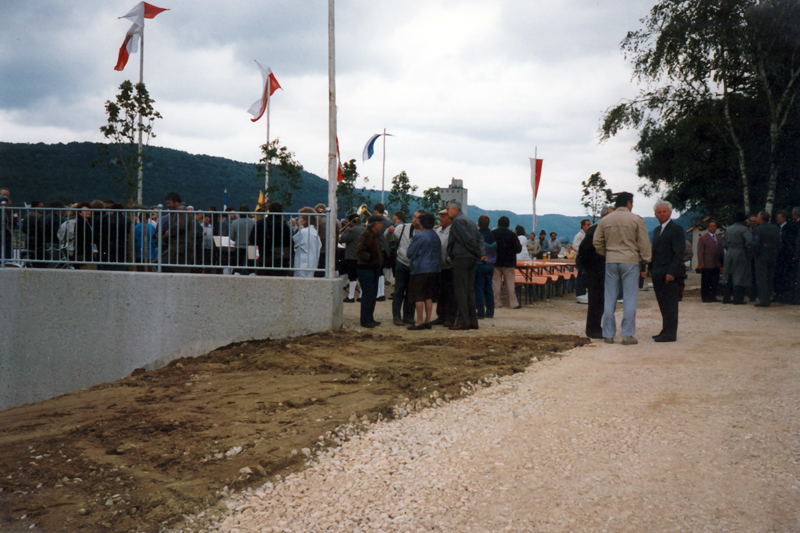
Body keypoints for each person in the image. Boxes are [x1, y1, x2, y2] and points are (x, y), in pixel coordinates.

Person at [593, 192, 651, 345]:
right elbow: (644, 243)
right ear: (628, 203)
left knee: (610, 297)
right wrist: (645, 259)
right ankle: (627, 334)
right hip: (630, 261)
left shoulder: (606, 220)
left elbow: (597, 242)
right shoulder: (636, 219)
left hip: (611, 260)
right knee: (630, 297)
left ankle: (608, 334)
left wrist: (607, 254)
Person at [446, 200, 485, 331]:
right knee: (469, 291)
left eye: (448, 209)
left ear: (455, 209)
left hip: (462, 258)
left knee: (461, 291)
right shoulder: (471, 221)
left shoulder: (457, 222)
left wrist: (476, 251)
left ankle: (463, 321)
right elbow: (479, 238)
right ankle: (472, 321)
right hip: (471, 259)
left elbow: (467, 239)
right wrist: (480, 253)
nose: (447, 212)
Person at [649, 200, 685, 343]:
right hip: (658, 272)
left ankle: (670, 333)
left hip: (668, 273)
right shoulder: (657, 230)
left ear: (670, 213)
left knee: (670, 304)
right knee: (663, 303)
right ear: (655, 214)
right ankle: (665, 330)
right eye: (659, 212)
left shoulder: (676, 229)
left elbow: (678, 252)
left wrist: (672, 272)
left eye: (664, 211)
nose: (662, 214)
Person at [578, 205, 614, 338]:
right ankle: (593, 329)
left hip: (604, 270)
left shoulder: (607, 229)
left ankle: (598, 327)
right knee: (596, 301)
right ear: (603, 216)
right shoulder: (595, 229)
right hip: (595, 270)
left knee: (602, 301)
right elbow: (583, 251)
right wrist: (587, 268)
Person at [405, 212, 442, 330]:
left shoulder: (419, 235)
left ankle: (419, 321)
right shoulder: (436, 236)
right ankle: (428, 320)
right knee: (429, 296)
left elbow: (410, 253)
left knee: (419, 296)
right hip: (434, 269)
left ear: (421, 223)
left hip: (420, 269)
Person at [386, 209, 420, 326]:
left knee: (411, 292)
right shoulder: (403, 227)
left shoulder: (423, 230)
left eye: (418, 217)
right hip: (401, 263)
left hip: (415, 266)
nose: (415, 219)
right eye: (414, 216)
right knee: (399, 291)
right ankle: (396, 316)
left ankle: (409, 316)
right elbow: (389, 238)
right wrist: (389, 232)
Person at [356, 215, 385, 328]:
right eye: (380, 223)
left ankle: (369, 318)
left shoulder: (374, 235)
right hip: (366, 269)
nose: (382, 225)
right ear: (375, 224)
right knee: (368, 295)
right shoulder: (366, 234)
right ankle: (365, 320)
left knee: (372, 295)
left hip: (372, 269)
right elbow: (360, 251)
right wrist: (372, 259)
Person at [432, 209, 457, 326]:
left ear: (449, 218)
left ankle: (450, 317)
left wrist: (450, 259)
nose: (440, 219)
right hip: (439, 266)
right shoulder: (438, 231)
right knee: (440, 292)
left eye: (443, 217)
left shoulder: (453, 231)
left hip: (450, 267)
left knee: (450, 293)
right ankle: (441, 316)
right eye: (440, 216)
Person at [722, 211, 753, 305]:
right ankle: (738, 299)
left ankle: (726, 297)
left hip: (729, 252)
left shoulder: (729, 229)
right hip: (740, 251)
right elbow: (749, 241)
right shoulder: (744, 229)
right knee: (740, 274)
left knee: (728, 274)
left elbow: (724, 243)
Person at [492, 216, 522, 310]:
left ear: (498, 224)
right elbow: (518, 249)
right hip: (509, 262)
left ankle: (496, 302)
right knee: (509, 283)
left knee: (496, 284)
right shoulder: (512, 235)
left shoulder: (493, 233)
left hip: (495, 261)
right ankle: (513, 303)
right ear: (508, 225)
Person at [751, 211, 780, 307]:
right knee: (770, 277)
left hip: (761, 255)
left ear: (761, 218)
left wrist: (754, 254)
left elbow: (755, 244)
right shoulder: (775, 228)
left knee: (761, 278)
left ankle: (763, 300)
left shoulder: (757, 229)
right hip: (773, 255)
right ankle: (769, 297)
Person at [696, 221, 724, 302]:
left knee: (715, 281)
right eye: (711, 226)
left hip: (717, 263)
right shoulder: (703, 238)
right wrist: (701, 263)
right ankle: (705, 297)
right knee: (706, 281)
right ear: (708, 228)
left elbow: (721, 251)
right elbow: (700, 251)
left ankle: (713, 296)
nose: (713, 227)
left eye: (714, 226)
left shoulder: (719, 238)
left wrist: (722, 262)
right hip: (707, 263)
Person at [474, 215, 497, 319]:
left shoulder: (478, 235)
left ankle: (480, 312)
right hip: (491, 265)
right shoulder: (493, 236)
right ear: (488, 224)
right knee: (489, 288)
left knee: (478, 289)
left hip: (480, 264)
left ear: (478, 224)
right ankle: (490, 311)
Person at [340, 213, 365, 302]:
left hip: (352, 255)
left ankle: (351, 296)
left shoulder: (352, 230)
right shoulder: (364, 228)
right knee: (361, 276)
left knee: (352, 277)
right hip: (361, 256)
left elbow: (342, 239)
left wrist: (345, 231)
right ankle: (361, 295)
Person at [774, 210, 798, 303]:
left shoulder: (789, 228)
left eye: (778, 217)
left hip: (786, 255)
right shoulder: (778, 228)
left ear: (784, 218)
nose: (777, 219)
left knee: (785, 275)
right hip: (780, 255)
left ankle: (785, 295)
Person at [292, 207, 322, 278]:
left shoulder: (303, 232)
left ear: (305, 220)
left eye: (301, 218)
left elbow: (293, 241)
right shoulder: (315, 233)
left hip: (302, 264)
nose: (299, 220)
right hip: (312, 263)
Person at [373, 203, 393, 300]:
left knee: (378, 271)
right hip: (386, 248)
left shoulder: (373, 220)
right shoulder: (389, 222)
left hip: (377, 248)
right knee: (381, 271)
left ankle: (379, 293)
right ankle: (381, 292)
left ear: (376, 211)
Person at [229, 204, 256, 275]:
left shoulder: (235, 223)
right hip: (251, 247)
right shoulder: (254, 222)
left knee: (238, 267)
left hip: (239, 246)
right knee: (252, 268)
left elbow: (231, 236)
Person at [573, 219, 591, 298]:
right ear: (583, 226)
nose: (589, 226)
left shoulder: (588, 235)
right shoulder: (579, 235)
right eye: (587, 224)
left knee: (585, 276)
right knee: (581, 275)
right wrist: (583, 252)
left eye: (590, 224)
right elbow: (575, 246)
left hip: (586, 258)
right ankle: (580, 293)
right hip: (581, 257)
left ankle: (584, 292)